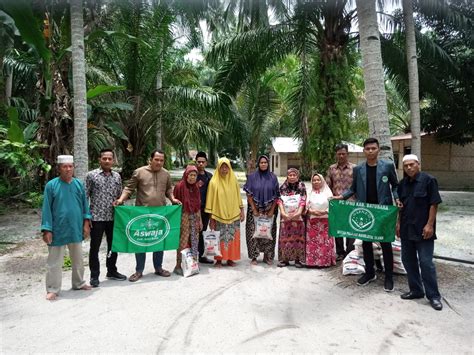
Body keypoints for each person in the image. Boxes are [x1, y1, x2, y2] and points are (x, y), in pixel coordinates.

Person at [335, 137, 401, 292]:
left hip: (383, 212)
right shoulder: (358, 169)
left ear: (378, 150)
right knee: (366, 243)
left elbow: (395, 185)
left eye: (373, 148)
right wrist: (341, 197)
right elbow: (353, 189)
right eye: (367, 149)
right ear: (364, 151)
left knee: (385, 244)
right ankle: (370, 273)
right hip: (365, 211)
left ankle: (389, 277)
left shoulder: (388, 166)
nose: (370, 151)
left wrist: (397, 198)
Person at [115, 149, 181, 282]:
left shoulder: (166, 174)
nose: (159, 162)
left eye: (161, 160)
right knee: (140, 242)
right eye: (156, 159)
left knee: (159, 239)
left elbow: (168, 189)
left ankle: (158, 268)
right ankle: (139, 270)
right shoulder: (139, 172)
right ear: (150, 160)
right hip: (142, 214)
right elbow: (129, 188)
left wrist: (173, 199)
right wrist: (121, 199)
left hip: (160, 214)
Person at [41, 155, 92, 300]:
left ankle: (79, 282)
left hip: (75, 227)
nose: (68, 169)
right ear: (59, 168)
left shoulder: (78, 184)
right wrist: (47, 229)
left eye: (70, 166)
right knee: (54, 261)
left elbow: (84, 205)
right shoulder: (51, 185)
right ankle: (53, 289)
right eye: (65, 166)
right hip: (58, 229)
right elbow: (46, 209)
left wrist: (86, 223)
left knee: (78, 259)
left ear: (73, 167)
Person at [397, 154, 443, 310]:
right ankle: (416, 290)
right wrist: (398, 223)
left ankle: (434, 296)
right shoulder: (402, 184)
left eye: (412, 164)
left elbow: (434, 203)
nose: (409, 168)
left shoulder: (429, 180)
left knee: (426, 263)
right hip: (406, 229)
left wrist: (430, 225)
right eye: (406, 165)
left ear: (418, 164)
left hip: (423, 230)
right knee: (408, 261)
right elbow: (400, 205)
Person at [86, 149, 126, 287]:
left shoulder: (117, 177)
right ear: (99, 159)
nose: (107, 161)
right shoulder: (91, 175)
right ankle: (94, 276)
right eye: (104, 158)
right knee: (94, 247)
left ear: (113, 160)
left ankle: (111, 270)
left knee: (113, 246)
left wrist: (120, 206)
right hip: (96, 217)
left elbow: (120, 196)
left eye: (110, 158)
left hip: (113, 217)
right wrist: (86, 217)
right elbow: (85, 197)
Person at [205, 157, 245, 267]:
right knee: (219, 237)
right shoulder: (213, 182)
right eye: (222, 167)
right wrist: (211, 218)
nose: (224, 169)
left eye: (226, 167)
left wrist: (242, 210)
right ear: (218, 168)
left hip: (234, 214)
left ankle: (230, 259)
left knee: (232, 237)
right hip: (218, 215)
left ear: (229, 168)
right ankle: (218, 260)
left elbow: (238, 196)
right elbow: (210, 200)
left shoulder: (234, 181)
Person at [243, 155, 280, 265]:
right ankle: (254, 256)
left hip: (270, 209)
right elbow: (249, 194)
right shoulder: (252, 177)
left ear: (268, 164)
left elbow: (277, 195)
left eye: (265, 162)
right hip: (254, 209)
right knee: (253, 232)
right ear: (258, 164)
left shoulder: (273, 177)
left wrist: (272, 210)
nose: (263, 164)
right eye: (261, 162)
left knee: (268, 231)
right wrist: (254, 209)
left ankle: (267, 256)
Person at [326, 143, 356, 260]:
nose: (341, 156)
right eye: (339, 154)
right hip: (336, 203)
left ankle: (350, 252)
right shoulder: (331, 168)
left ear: (347, 154)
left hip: (351, 202)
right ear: (336, 155)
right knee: (337, 228)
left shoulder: (355, 168)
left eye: (344, 153)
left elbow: (358, 185)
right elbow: (328, 185)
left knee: (350, 228)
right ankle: (340, 252)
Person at [173, 165, 203, 275]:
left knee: (195, 240)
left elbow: (198, 205)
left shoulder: (196, 188)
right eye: (191, 175)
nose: (192, 177)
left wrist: (200, 220)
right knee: (183, 240)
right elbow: (174, 204)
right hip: (184, 216)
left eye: (195, 175)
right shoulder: (179, 186)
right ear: (186, 175)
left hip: (195, 216)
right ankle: (178, 265)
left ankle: (193, 263)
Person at [277, 168, 306, 268]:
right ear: (287, 176)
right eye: (290, 175)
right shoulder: (283, 187)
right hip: (285, 217)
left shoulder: (301, 186)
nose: (292, 177)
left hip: (298, 217)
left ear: (297, 177)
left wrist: (298, 213)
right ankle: (285, 259)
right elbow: (279, 200)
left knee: (298, 238)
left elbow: (303, 200)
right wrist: (283, 213)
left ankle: (298, 259)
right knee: (285, 238)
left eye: (294, 175)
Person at [305, 173, 336, 267]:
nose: (316, 182)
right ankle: (312, 262)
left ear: (322, 181)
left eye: (318, 180)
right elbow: (306, 204)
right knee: (313, 242)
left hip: (325, 221)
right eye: (314, 180)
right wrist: (311, 211)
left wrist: (325, 212)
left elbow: (332, 204)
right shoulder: (309, 192)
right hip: (312, 221)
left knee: (324, 242)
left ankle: (324, 262)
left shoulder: (327, 192)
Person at [195, 151, 214, 264]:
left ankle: (201, 255)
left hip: (205, 209)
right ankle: (191, 257)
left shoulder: (209, 177)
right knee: (192, 232)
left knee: (202, 231)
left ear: (206, 163)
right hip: (192, 210)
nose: (201, 164)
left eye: (203, 162)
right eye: (199, 162)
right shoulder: (191, 174)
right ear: (195, 162)